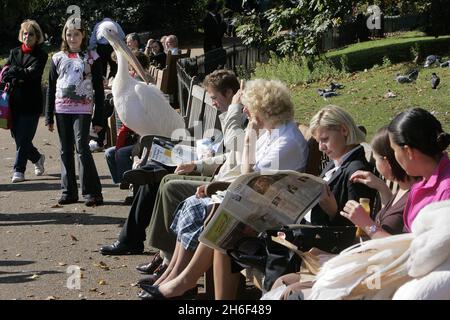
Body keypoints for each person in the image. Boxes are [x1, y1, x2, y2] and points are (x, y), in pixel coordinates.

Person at [138, 79, 309, 300]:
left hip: (272, 215)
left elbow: (249, 178)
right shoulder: (271, 132)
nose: (244, 109)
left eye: (248, 105)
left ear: (262, 108)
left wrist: (248, 138)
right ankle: (174, 276)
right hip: (255, 203)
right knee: (200, 206)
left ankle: (182, 281)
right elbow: (249, 179)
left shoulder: (286, 141)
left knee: (220, 219)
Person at [100, 69, 244, 256]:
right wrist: (198, 160)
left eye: (214, 97)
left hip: (219, 177)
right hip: (204, 157)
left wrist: (199, 163)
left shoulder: (239, 118)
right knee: (158, 169)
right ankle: (137, 242)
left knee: (156, 179)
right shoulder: (230, 115)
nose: (213, 103)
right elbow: (230, 153)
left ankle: (141, 245)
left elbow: (236, 155)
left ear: (230, 95)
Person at [45, 18, 104, 207]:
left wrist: (99, 116)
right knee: (65, 150)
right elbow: (51, 87)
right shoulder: (57, 57)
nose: (72, 38)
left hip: (83, 110)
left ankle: (92, 193)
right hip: (61, 109)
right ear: (64, 35)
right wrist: (48, 115)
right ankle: (68, 191)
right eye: (69, 34)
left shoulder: (91, 56)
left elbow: (99, 90)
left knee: (82, 148)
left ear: (83, 35)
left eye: (76, 34)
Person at [340, 125, 417, 238]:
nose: (375, 162)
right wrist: (381, 186)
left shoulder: (414, 196)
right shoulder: (403, 187)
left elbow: (392, 245)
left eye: (376, 159)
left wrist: (366, 224)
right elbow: (389, 216)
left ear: (387, 162)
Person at [387, 107, 450, 232]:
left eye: (394, 150)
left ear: (408, 151)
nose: (395, 156)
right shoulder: (424, 181)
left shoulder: (446, 191)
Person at [2, 20, 48, 183]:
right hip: (14, 103)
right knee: (18, 137)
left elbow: (33, 74)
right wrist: (16, 74)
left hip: (31, 103)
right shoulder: (14, 52)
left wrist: (15, 72)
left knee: (23, 138)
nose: (27, 36)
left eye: (31, 34)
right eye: (25, 33)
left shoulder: (41, 55)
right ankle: (37, 158)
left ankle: (18, 171)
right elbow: (6, 72)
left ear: (37, 37)